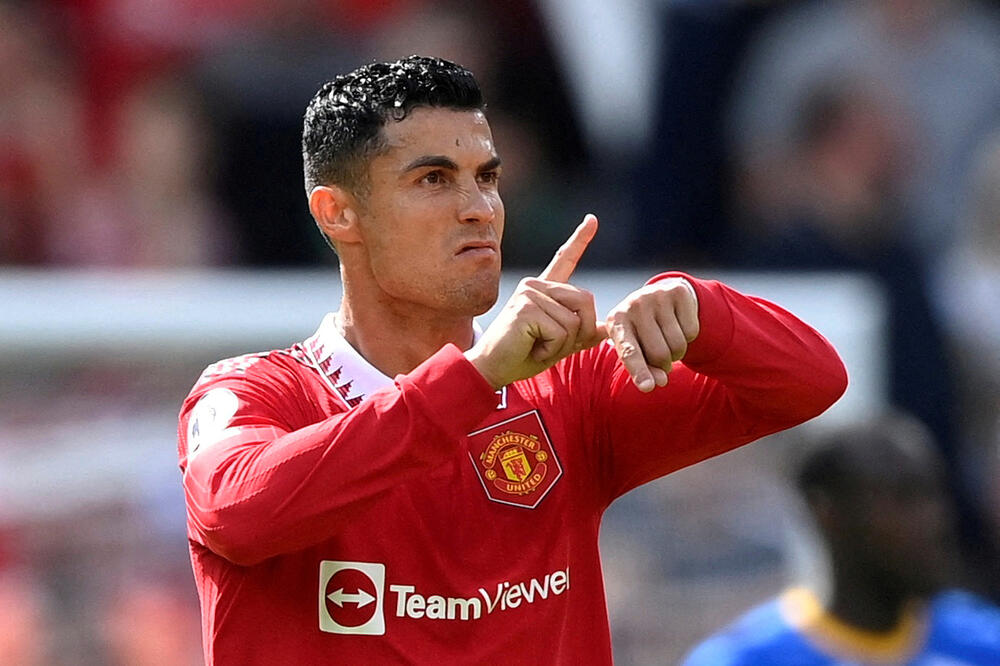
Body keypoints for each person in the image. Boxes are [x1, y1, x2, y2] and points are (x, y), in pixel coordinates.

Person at [177, 55, 847, 664]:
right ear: (337, 214)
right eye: (434, 179)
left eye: (487, 177)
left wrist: (703, 311)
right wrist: (472, 379)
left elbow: (811, 381)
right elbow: (238, 513)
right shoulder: (254, 393)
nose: (479, 208)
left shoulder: (567, 392)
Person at [682, 415, 1000, 665]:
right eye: (903, 499)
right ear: (828, 513)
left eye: (933, 496)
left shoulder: (983, 643)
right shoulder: (745, 659)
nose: (934, 520)